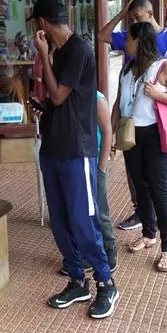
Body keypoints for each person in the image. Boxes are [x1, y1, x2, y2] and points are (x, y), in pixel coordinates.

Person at [30, 0, 120, 319]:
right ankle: (77, 281)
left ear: (41, 23)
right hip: (53, 149)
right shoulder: (59, 52)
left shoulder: (80, 50)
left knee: (83, 220)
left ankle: (106, 283)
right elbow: (59, 103)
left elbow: (58, 95)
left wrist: (43, 55)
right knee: (60, 221)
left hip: (76, 151)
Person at [98, 0, 167, 232]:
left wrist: (159, 93)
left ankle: (165, 239)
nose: (133, 23)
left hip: (159, 125)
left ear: (151, 14)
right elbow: (103, 36)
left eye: (137, 18)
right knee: (138, 180)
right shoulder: (129, 54)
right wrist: (122, 13)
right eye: (130, 20)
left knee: (158, 183)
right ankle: (145, 222)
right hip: (132, 125)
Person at [111, 22, 167, 272]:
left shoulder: (164, 67)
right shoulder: (127, 69)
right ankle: (148, 234)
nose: (125, 43)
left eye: (128, 39)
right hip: (130, 135)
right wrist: (111, 134)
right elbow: (118, 103)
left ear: (140, 41)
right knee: (140, 186)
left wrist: (159, 95)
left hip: (156, 135)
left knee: (159, 189)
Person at [56, 90, 116, 277]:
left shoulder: (97, 99)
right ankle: (83, 254)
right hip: (75, 163)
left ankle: (109, 249)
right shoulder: (64, 98)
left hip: (94, 162)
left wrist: (101, 167)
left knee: (99, 209)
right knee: (78, 211)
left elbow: (107, 132)